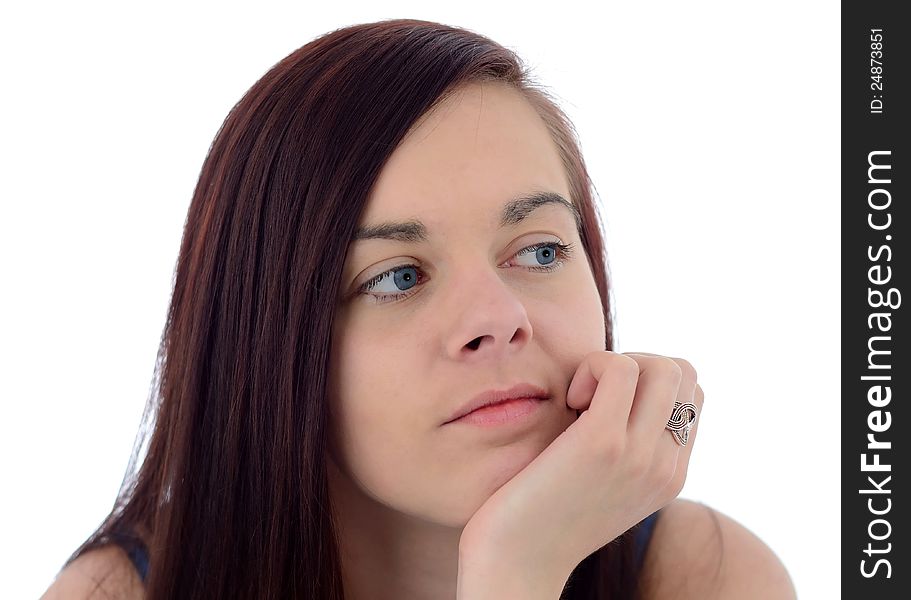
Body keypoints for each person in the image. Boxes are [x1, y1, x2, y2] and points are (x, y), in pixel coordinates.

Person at [41, 18, 796, 600]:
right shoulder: (119, 593)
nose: (498, 318)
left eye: (538, 251)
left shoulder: (704, 577)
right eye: (398, 277)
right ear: (265, 346)